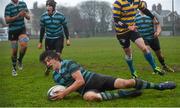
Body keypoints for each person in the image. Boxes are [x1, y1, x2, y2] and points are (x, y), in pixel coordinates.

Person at [39, 51, 176, 101]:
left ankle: (160, 86)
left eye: (48, 61)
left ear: (55, 58)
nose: (47, 64)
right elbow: (68, 88)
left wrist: (64, 93)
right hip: (85, 91)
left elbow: (79, 81)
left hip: (96, 79)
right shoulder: (55, 78)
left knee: (127, 82)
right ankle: (125, 95)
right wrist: (59, 93)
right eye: (45, 63)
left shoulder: (68, 63)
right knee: (90, 98)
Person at [112, 0, 165, 78]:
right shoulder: (118, 2)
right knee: (128, 53)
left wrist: (153, 17)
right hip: (121, 32)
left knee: (144, 47)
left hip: (133, 30)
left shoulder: (137, 1)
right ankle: (133, 72)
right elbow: (116, 19)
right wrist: (128, 26)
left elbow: (144, 9)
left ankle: (155, 68)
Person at [135, 1, 174, 73]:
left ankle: (164, 66)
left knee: (159, 55)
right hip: (144, 39)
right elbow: (134, 27)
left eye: (144, 5)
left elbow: (158, 25)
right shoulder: (136, 17)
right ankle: (155, 68)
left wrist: (158, 32)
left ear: (145, 6)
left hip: (153, 38)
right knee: (147, 51)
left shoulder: (151, 15)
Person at [37, 0, 70, 75]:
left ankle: (60, 69)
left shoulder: (60, 16)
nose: (48, 7)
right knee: (48, 57)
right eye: (47, 6)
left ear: (53, 7)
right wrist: (40, 42)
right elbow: (42, 30)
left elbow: (65, 27)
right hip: (48, 38)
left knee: (57, 55)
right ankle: (48, 68)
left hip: (59, 37)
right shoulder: (43, 17)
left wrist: (67, 39)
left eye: (50, 6)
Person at [4, 0, 30, 76]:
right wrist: (18, 15)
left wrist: (25, 14)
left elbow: (28, 17)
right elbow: (7, 20)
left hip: (22, 29)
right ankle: (14, 68)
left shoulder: (23, 4)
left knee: (24, 46)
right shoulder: (8, 7)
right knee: (14, 51)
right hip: (12, 31)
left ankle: (20, 60)